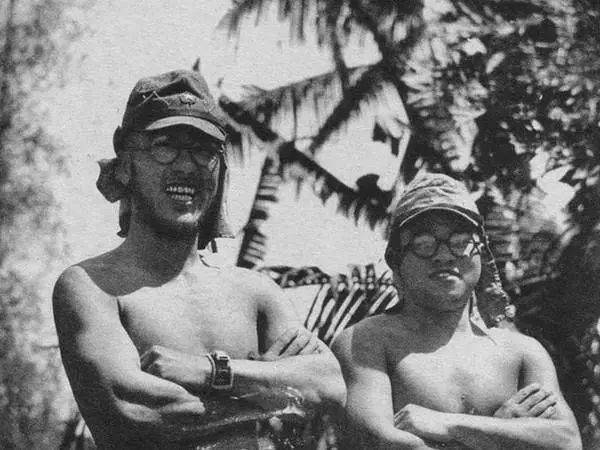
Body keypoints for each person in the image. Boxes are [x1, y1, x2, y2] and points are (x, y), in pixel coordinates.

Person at [53, 69, 345, 449]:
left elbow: (329, 388)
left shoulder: (255, 293)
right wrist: (271, 394)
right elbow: (135, 410)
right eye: (165, 145)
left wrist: (209, 372)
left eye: (204, 150)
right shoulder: (93, 286)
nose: (187, 166)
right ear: (125, 160)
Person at [332, 173, 582, 449]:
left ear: (482, 254)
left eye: (461, 242)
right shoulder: (367, 342)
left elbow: (568, 441)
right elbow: (380, 442)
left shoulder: (522, 353)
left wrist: (450, 425)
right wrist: (505, 432)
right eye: (424, 244)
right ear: (396, 259)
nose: (444, 255)